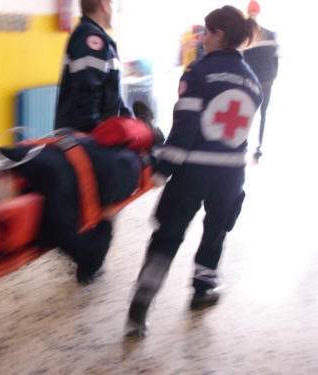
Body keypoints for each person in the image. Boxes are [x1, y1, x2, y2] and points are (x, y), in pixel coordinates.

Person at [125, 5, 263, 337]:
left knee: (168, 235)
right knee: (216, 231)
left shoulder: (197, 73)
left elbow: (184, 132)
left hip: (193, 171)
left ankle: (139, 310)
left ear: (220, 35)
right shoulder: (253, 80)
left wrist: (162, 169)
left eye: (206, 31)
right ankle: (203, 291)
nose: (202, 37)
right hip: (231, 175)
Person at [54, 0, 131, 133]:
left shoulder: (98, 38)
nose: (112, 9)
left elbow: (112, 97)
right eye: (111, 4)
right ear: (104, 5)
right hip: (87, 139)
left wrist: (131, 123)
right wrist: (99, 137)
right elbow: (86, 95)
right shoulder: (90, 37)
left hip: (98, 136)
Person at [243, 0, 279, 161]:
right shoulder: (270, 34)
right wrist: (272, 76)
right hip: (267, 80)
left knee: (247, 113)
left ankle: (242, 144)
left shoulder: (245, 35)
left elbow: (241, 60)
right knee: (263, 113)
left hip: (251, 80)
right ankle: (259, 148)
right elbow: (275, 60)